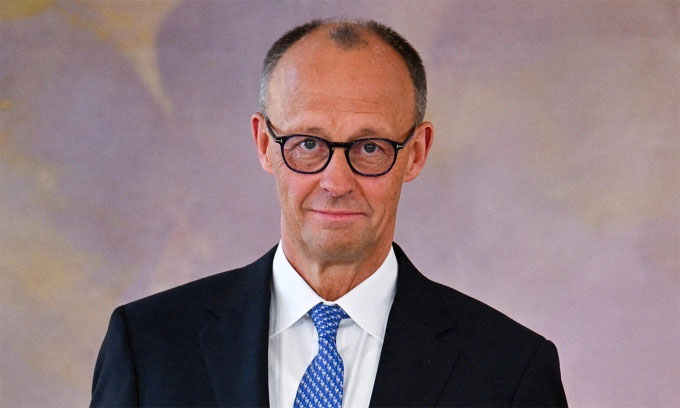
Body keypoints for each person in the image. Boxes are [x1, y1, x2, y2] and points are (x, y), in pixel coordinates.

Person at [91, 19, 568, 407]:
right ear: (264, 144)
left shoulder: (510, 371)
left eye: (370, 147)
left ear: (416, 153)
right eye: (308, 144)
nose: (336, 183)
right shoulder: (148, 347)